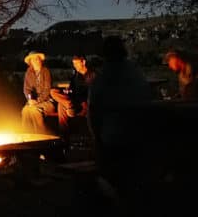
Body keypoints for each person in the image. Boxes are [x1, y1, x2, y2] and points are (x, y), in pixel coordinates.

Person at [87, 36, 152, 196]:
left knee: (116, 180)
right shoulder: (136, 73)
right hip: (140, 133)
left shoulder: (103, 78)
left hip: (114, 136)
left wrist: (97, 138)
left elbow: (94, 111)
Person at [50, 54, 96, 141]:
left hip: (83, 104)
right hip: (73, 102)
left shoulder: (92, 75)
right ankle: (64, 135)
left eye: (76, 63)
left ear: (83, 62)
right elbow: (72, 90)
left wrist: (84, 101)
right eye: (73, 64)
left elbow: (93, 92)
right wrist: (68, 91)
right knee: (53, 92)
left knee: (61, 105)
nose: (75, 66)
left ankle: (64, 135)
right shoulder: (75, 77)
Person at [20, 51, 55, 134]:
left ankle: (41, 135)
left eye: (38, 59)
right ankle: (27, 135)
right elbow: (27, 89)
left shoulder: (46, 71)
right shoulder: (28, 73)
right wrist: (30, 99)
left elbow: (47, 90)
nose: (37, 61)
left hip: (47, 101)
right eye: (34, 59)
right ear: (31, 62)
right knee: (25, 110)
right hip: (33, 101)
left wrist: (38, 101)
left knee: (35, 110)